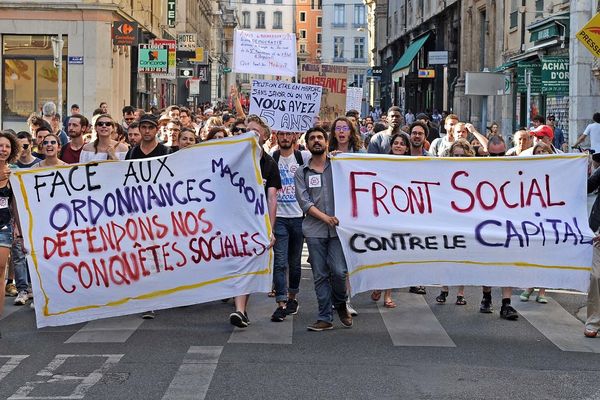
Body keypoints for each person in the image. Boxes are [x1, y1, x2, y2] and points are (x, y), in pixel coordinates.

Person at [295, 126, 352, 331]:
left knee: (338, 271)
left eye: (320, 137)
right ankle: (325, 317)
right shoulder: (301, 172)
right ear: (307, 144)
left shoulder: (338, 165)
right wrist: (326, 218)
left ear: (327, 142)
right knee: (319, 274)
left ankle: (341, 303)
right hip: (314, 231)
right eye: (312, 138)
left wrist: (343, 159)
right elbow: (304, 203)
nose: (317, 141)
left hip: (339, 231)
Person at [229, 115, 280, 328]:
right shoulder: (230, 158)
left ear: (265, 137)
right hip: (230, 221)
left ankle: (240, 310)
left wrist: (269, 229)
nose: (250, 134)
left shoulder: (268, 164)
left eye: (255, 132)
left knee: (246, 264)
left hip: (254, 223)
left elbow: (272, 198)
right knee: (236, 265)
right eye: (246, 129)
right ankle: (239, 309)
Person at [125, 114, 170, 320]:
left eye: (150, 127)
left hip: (159, 212)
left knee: (157, 255)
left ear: (157, 129)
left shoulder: (165, 152)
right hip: (137, 212)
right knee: (141, 255)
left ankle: (156, 295)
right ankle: (146, 298)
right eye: (143, 127)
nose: (147, 131)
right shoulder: (132, 153)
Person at [269, 130, 310, 322]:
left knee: (294, 263)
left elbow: (325, 158)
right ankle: (281, 303)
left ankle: (293, 297)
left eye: (288, 135)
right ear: (276, 136)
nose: (285, 138)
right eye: (281, 135)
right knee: (280, 262)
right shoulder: (272, 157)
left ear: (294, 137)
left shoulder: (304, 156)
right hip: (279, 218)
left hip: (299, 217)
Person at [371, 131, 412, 308]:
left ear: (406, 148)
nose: (398, 146)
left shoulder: (414, 165)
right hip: (383, 216)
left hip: (402, 217)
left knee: (394, 257)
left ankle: (387, 294)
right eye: (396, 143)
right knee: (380, 255)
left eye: (402, 143)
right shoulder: (382, 164)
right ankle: (377, 284)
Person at [435, 139, 474, 305]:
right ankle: (444, 289)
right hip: (448, 220)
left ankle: (460, 293)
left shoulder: (473, 173)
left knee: (462, 256)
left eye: (462, 155)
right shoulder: (444, 171)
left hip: (466, 220)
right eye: (456, 155)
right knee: (447, 254)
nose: (459, 158)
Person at [0, 131, 23, 328]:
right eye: (0, 145)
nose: (3, 149)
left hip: (4, 225)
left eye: (7, 146)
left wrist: (19, 229)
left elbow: (15, 202)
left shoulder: (14, 170)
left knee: (1, 269)